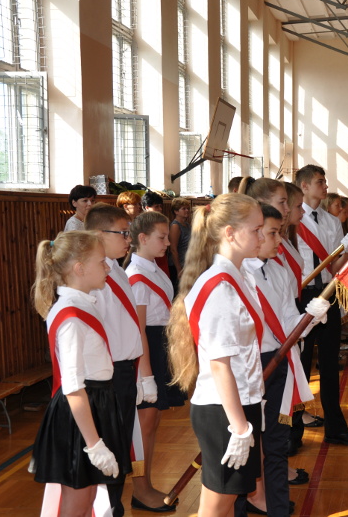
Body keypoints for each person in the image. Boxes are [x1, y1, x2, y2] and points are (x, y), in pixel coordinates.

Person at [166, 194, 266, 517]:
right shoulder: (220, 287)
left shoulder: (240, 276)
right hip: (224, 410)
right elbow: (220, 366)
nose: (262, 237)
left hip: (239, 403)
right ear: (230, 233)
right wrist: (240, 427)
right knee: (217, 506)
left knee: (221, 501)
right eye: (257, 230)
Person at [30, 231, 131, 514]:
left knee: (88, 499)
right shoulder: (71, 315)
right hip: (82, 411)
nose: (108, 267)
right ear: (79, 269)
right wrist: (94, 444)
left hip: (96, 403)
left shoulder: (81, 304)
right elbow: (72, 386)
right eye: (102, 262)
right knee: (78, 500)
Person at [242, 203, 328, 517]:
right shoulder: (238, 275)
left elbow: (288, 321)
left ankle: (277, 508)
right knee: (247, 448)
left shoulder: (277, 269)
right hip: (249, 366)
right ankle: (247, 502)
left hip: (279, 364)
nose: (280, 239)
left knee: (276, 443)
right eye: (272, 232)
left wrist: (310, 318)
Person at [85, 204, 159, 516]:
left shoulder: (115, 268)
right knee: (112, 449)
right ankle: (109, 509)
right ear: (98, 235)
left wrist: (143, 375)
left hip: (125, 371)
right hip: (107, 375)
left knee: (122, 445)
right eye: (122, 233)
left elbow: (129, 326)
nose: (127, 239)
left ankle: (115, 506)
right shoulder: (92, 274)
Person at [292, 165, 348, 450]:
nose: (325, 186)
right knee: (300, 367)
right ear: (305, 186)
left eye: (324, 182)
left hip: (327, 294)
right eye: (319, 182)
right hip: (302, 297)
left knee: (330, 365)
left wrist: (347, 251)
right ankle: (293, 433)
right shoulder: (293, 220)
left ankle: (336, 428)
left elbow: (334, 268)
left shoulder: (331, 221)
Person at [126, 211, 186, 512]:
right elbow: (138, 331)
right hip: (145, 350)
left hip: (159, 344)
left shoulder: (154, 268)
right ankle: (140, 488)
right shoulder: (136, 277)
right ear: (143, 239)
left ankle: (145, 483)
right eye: (161, 237)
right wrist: (146, 375)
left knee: (153, 420)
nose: (167, 242)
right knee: (144, 424)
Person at [168, 197, 192, 292]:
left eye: (188, 208)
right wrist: (179, 269)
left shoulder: (187, 225)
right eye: (183, 209)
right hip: (178, 265)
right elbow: (173, 249)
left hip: (186, 263)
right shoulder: (175, 226)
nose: (187, 211)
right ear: (176, 211)